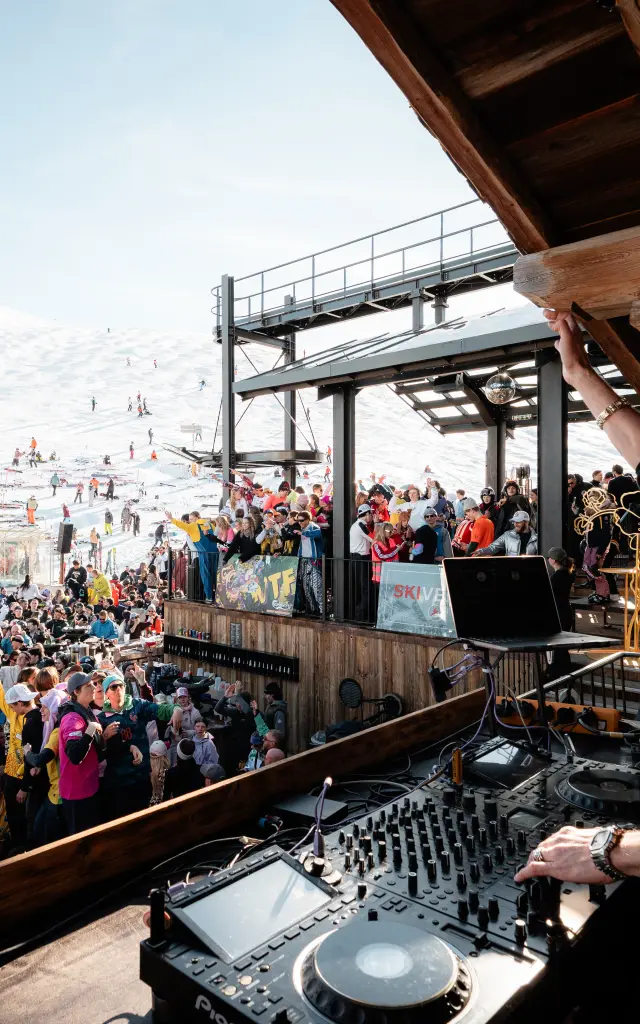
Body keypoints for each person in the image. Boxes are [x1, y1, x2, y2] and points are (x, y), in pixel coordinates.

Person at [97, 670, 177, 819]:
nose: (118, 689)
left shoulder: (137, 706)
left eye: (120, 685)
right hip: (118, 781)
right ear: (107, 693)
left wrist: (176, 709)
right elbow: (99, 751)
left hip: (141, 775)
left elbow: (160, 710)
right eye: (113, 687)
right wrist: (104, 736)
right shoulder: (102, 718)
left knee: (143, 816)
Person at [57, 672, 105, 835]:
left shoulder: (85, 711)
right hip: (77, 792)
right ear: (76, 692)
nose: (94, 687)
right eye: (88, 685)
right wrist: (90, 731)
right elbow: (75, 755)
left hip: (88, 786)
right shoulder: (73, 718)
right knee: (82, 841)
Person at [0, 682, 38, 852]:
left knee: (24, 815)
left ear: (20, 704)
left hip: (25, 777)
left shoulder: (32, 720)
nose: (10, 709)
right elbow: (1, 696)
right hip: (11, 772)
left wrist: (25, 786)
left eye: (12, 706)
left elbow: (32, 756)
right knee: (13, 813)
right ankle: (15, 844)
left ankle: (23, 848)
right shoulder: (15, 711)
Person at [473, 509, 538, 556]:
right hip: (511, 571)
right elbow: (493, 547)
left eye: (519, 522)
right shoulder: (507, 535)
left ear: (527, 522)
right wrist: (481, 551)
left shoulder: (536, 538)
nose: (515, 524)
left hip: (529, 571)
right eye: (514, 522)